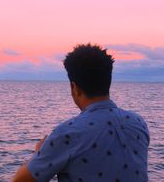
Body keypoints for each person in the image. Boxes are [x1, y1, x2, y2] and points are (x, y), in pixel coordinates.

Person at [13, 44, 149, 182]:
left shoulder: (68, 133)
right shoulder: (138, 123)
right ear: (108, 82)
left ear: (74, 87)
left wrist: (38, 154)